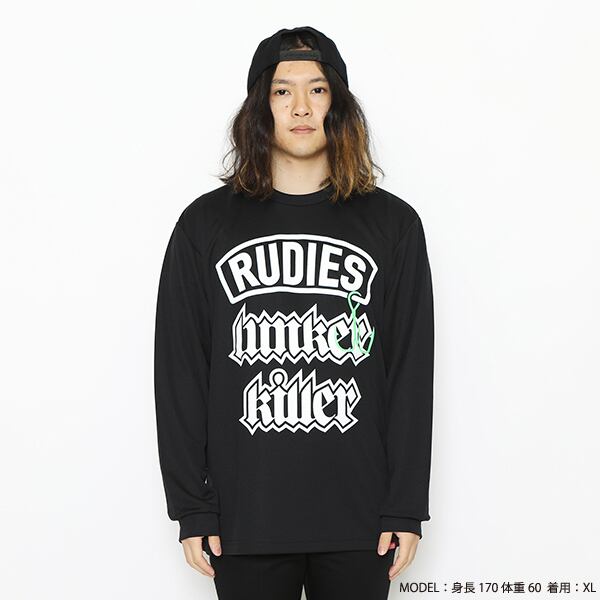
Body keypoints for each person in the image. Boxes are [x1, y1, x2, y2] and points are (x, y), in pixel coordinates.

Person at [154, 25, 435, 600]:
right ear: (260, 108)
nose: (301, 107)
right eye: (283, 91)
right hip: (244, 518)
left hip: (362, 520)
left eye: (318, 90)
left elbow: (410, 372)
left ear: (339, 106)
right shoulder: (205, 225)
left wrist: (405, 505)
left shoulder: (394, 225)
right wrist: (192, 505)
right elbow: (180, 371)